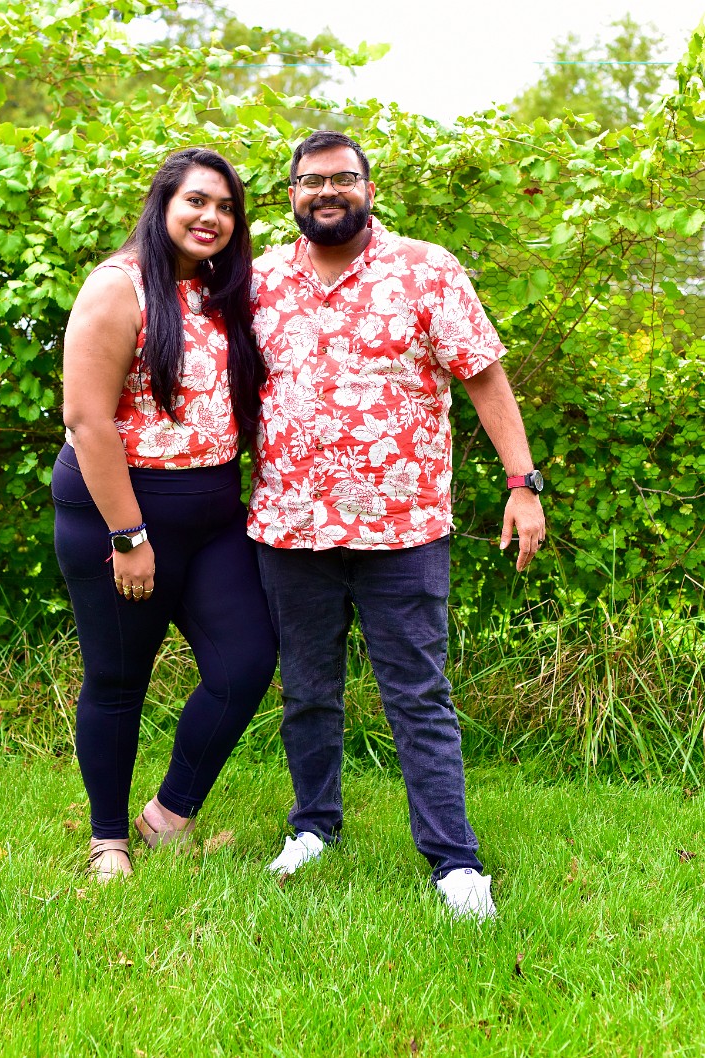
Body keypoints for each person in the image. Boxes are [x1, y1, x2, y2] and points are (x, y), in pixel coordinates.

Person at [249, 132, 546, 921]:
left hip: (404, 530)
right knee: (307, 691)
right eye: (311, 181)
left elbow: (483, 374)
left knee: (417, 695)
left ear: (369, 187)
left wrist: (523, 483)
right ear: (291, 195)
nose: (327, 192)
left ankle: (455, 862)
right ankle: (313, 827)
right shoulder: (262, 280)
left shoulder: (425, 268)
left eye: (343, 178)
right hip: (291, 526)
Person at [53, 148, 277, 882]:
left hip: (212, 515)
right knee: (119, 679)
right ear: (163, 204)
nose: (211, 217)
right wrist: (128, 535)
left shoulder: (220, 293)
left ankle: (167, 817)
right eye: (196, 201)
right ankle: (108, 841)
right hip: (120, 513)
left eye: (225, 207)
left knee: (244, 662)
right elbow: (88, 421)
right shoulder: (118, 288)